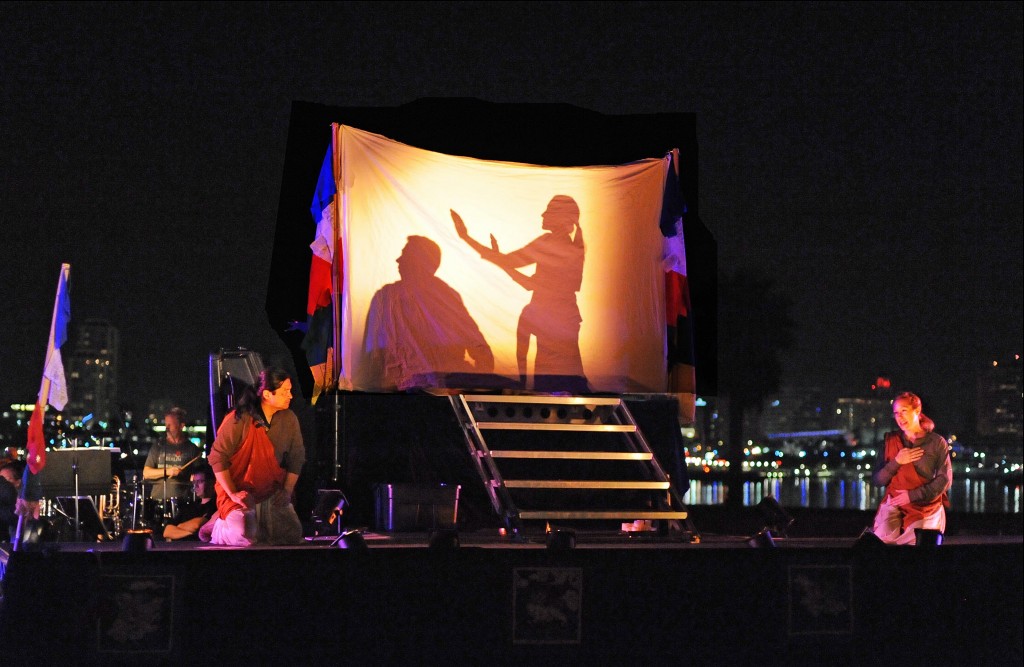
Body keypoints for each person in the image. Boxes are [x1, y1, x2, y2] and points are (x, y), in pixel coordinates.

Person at [452, 195, 589, 393]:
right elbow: (529, 283)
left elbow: (513, 265)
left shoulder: (551, 244)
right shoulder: (571, 246)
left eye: (549, 211)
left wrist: (466, 237)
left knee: (551, 380)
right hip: (558, 319)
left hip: (549, 320)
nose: (543, 215)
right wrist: (499, 259)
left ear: (560, 218)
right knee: (561, 380)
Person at [363, 235, 494, 391]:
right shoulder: (386, 297)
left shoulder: (446, 297)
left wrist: (467, 385)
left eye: (405, 255)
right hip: (404, 390)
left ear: (420, 262)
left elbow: (481, 352)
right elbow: (373, 357)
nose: (398, 260)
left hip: (440, 389)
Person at [205, 368, 305, 546]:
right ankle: (217, 526)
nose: (290, 396)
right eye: (285, 392)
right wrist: (233, 494)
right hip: (239, 493)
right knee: (245, 534)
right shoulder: (239, 419)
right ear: (267, 394)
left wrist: (288, 490)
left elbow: (297, 458)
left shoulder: (289, 419)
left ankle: (260, 522)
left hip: (271, 490)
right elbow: (217, 457)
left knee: (292, 534)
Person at [870, 391, 952, 545]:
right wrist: (897, 462)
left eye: (904, 411)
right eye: (896, 413)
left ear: (917, 411)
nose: (899, 417)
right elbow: (877, 480)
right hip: (894, 504)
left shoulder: (936, 442)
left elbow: (945, 480)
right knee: (881, 542)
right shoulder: (890, 441)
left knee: (918, 541)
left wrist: (912, 495)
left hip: (925, 506)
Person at [143, 407, 202, 514]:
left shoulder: (192, 449)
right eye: (166, 424)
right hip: (157, 501)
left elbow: (200, 475)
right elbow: (146, 473)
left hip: (182, 503)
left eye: (171, 424)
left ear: (181, 426)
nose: (167, 428)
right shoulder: (158, 446)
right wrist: (168, 471)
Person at [161, 465, 217, 542]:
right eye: (194, 482)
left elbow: (197, 524)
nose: (196, 486)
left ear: (211, 483)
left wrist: (179, 527)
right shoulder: (190, 506)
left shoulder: (216, 505)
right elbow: (167, 531)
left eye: (200, 481)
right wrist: (193, 535)